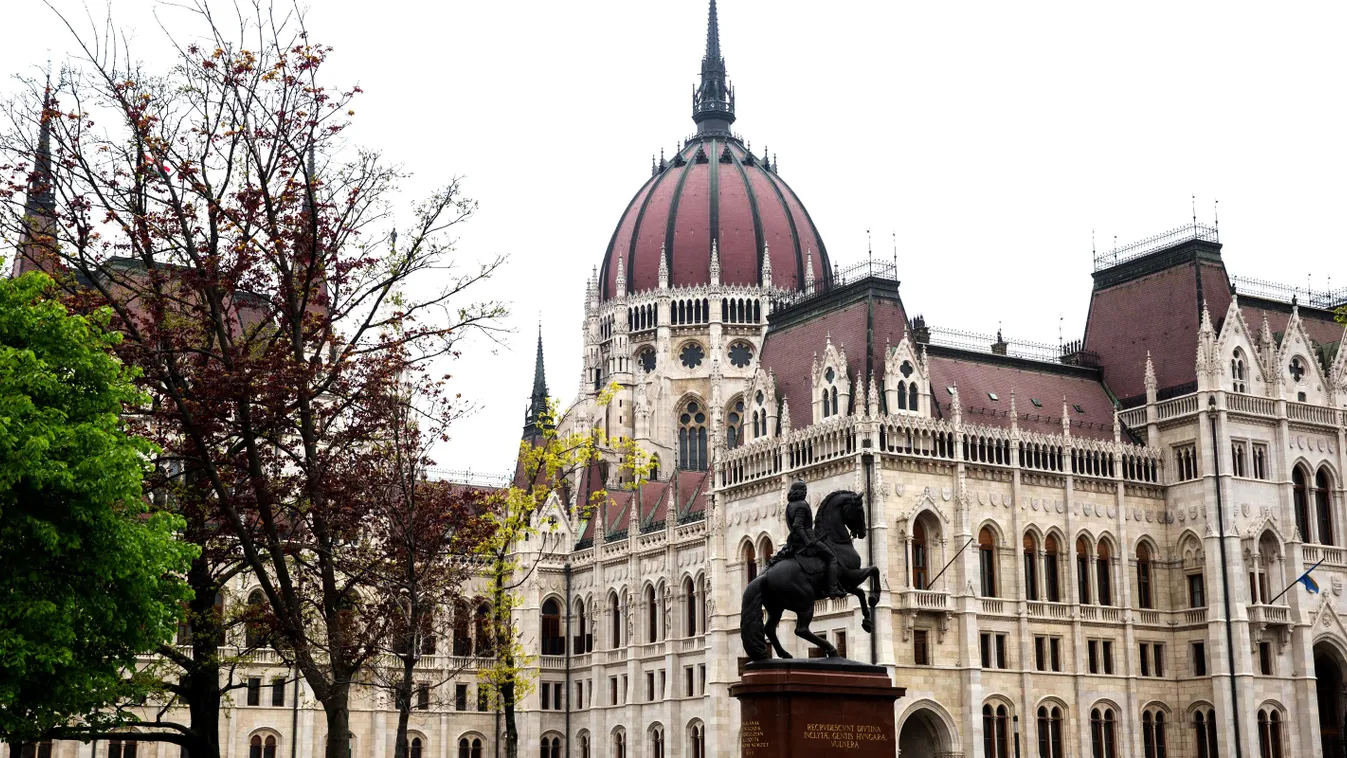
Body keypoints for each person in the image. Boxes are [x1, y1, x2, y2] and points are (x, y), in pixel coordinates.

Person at [767, 480, 846, 599]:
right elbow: (797, 526)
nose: (805, 492)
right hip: (806, 540)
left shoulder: (790, 506)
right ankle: (832, 588)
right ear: (799, 492)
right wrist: (807, 541)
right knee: (832, 558)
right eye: (803, 490)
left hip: (794, 542)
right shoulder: (801, 505)